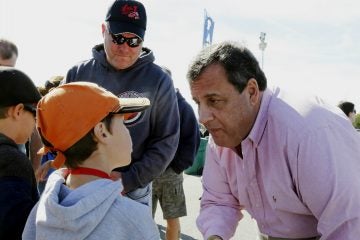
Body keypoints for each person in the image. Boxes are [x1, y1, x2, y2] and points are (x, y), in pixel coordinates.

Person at [187, 41, 360, 240]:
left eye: (214, 101)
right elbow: (219, 201)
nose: (202, 116)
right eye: (198, 102)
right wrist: (215, 236)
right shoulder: (222, 138)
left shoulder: (307, 132)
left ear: (251, 91)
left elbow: (349, 227)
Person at [63, 0, 180, 206]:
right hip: (80, 181)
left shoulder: (159, 80)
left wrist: (129, 179)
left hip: (131, 189)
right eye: (118, 38)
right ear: (103, 31)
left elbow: (167, 140)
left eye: (134, 41)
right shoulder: (78, 73)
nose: (125, 48)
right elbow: (59, 125)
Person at [22, 82, 160, 240]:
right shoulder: (133, 218)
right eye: (123, 123)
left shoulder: (40, 212)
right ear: (102, 132)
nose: (128, 132)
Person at [152, 67, 200, 240]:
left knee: (172, 221)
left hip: (170, 175)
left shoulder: (183, 107)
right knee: (142, 218)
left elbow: (192, 140)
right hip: (147, 174)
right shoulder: (149, 103)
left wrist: (176, 166)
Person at [0, 67, 41, 239]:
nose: (36, 124)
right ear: (18, 111)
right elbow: (19, 230)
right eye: (35, 115)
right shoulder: (11, 160)